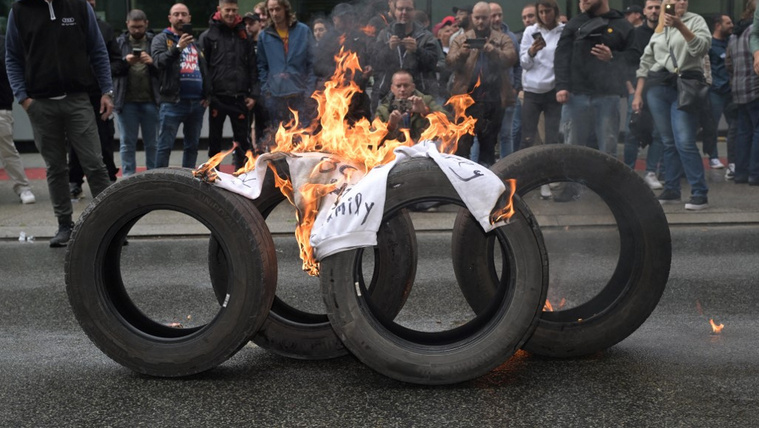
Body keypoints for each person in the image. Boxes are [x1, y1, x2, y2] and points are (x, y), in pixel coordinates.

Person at [5, 0, 114, 247]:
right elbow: (12, 57)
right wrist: (23, 98)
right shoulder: (20, 10)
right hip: (40, 103)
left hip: (78, 100)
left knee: (95, 164)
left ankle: (110, 222)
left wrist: (107, 91)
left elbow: (98, 49)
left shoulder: (79, 6)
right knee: (55, 167)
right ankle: (64, 224)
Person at [554, 0, 639, 198]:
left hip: (608, 95)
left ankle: (609, 192)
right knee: (571, 146)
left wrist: (612, 57)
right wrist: (562, 86)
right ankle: (571, 189)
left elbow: (635, 58)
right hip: (575, 95)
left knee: (608, 147)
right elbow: (561, 56)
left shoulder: (623, 25)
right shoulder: (574, 24)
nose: (583, 1)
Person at [633, 0, 712, 210]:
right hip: (658, 87)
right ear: (666, 3)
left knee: (684, 141)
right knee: (668, 141)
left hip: (684, 86)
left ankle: (699, 192)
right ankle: (672, 189)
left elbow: (700, 48)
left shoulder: (695, 20)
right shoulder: (659, 28)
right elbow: (646, 62)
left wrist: (680, 26)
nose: (683, 2)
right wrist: (638, 94)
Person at [447, 1, 517, 167]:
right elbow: (449, 63)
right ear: (472, 17)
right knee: (462, 147)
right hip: (466, 101)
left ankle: (485, 185)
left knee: (488, 148)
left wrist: (493, 51)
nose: (480, 22)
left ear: (490, 18)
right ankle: (462, 183)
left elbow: (511, 58)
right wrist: (462, 54)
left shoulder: (502, 39)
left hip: (493, 102)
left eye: (484, 18)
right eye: (477, 18)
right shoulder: (461, 39)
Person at [69, 0, 121, 198]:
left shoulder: (105, 29)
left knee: (105, 138)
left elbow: (116, 62)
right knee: (74, 141)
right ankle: (74, 180)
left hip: (100, 95)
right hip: (76, 94)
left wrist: (101, 75)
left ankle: (109, 179)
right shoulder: (67, 25)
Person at [199, 0, 259, 170]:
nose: (231, 14)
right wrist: (207, 95)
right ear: (219, 10)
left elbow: (252, 67)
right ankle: (213, 177)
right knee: (214, 142)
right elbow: (203, 68)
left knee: (243, 142)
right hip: (217, 98)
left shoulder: (244, 35)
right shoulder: (208, 35)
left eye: (234, 10)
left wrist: (253, 94)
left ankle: (241, 176)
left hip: (240, 97)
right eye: (227, 10)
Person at [152, 3, 210, 169]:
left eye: (184, 14)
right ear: (170, 18)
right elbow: (158, 62)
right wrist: (177, 48)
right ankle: (160, 184)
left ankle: (188, 184)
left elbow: (204, 69)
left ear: (189, 18)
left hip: (197, 104)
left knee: (192, 147)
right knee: (164, 146)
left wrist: (208, 94)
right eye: (176, 14)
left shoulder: (195, 42)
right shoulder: (161, 39)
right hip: (172, 102)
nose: (180, 18)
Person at [519, 0, 565, 198]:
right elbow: (523, 63)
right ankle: (524, 179)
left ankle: (548, 178)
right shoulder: (531, 31)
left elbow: (563, 60)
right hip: (532, 89)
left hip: (553, 89)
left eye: (548, 11)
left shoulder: (563, 31)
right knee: (528, 136)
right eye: (541, 12)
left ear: (555, 11)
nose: (545, 15)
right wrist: (532, 51)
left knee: (551, 137)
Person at [257, 0, 316, 143]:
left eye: (278, 9)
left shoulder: (303, 31)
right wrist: (267, 90)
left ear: (286, 9)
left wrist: (309, 91)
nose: (274, 13)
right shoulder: (264, 36)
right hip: (276, 96)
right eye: (271, 10)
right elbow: (261, 66)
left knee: (303, 138)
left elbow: (313, 63)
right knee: (280, 140)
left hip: (300, 94)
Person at [112, 9, 160, 177]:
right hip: (126, 102)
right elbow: (111, 69)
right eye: (133, 27)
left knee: (152, 144)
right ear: (127, 25)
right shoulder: (119, 43)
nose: (137, 30)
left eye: (140, 27)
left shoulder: (155, 42)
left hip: (151, 101)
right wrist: (126, 62)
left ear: (146, 24)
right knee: (127, 143)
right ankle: (128, 178)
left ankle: (153, 176)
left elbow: (166, 69)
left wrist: (152, 63)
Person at [623, 0, 665, 190]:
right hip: (637, 90)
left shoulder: (667, 32)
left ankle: (650, 172)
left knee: (658, 132)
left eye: (658, 7)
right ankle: (628, 173)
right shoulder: (635, 34)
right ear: (644, 12)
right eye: (651, 8)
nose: (654, 11)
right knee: (632, 132)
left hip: (660, 89)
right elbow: (627, 63)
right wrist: (632, 90)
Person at [369, 0, 440, 113]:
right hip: (388, 96)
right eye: (400, 9)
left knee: (421, 129)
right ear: (394, 11)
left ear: (414, 11)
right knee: (388, 129)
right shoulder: (384, 34)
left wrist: (417, 50)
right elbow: (375, 63)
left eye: (408, 9)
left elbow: (433, 64)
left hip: (420, 96)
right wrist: (388, 48)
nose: (404, 12)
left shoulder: (426, 36)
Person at [314, 3, 373, 124]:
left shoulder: (360, 37)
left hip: (358, 93)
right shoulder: (327, 39)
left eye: (349, 17)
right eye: (342, 18)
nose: (346, 21)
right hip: (334, 95)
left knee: (361, 127)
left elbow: (368, 59)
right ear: (335, 19)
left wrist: (367, 69)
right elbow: (318, 66)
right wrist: (340, 72)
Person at [0, 35, 35, 205]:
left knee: (7, 150)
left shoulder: (3, 43)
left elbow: (11, 69)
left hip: (0, 105)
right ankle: (23, 188)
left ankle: (23, 187)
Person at [728, 1, 759, 185]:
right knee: (757, 131)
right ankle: (755, 174)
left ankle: (740, 173)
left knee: (743, 132)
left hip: (739, 90)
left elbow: (728, 65)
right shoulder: (753, 34)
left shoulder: (734, 37)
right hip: (755, 87)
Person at [701, 14, 734, 170]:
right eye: (728, 23)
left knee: (734, 126)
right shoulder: (710, 44)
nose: (731, 25)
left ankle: (733, 159)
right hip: (715, 91)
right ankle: (713, 157)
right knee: (712, 126)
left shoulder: (731, 42)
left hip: (731, 91)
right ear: (718, 25)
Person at [374, 70, 444, 143]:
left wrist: (425, 112)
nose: (402, 89)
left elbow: (449, 123)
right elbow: (373, 139)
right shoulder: (383, 109)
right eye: (398, 86)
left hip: (422, 148)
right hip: (394, 151)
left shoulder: (425, 101)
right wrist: (391, 125)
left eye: (406, 85)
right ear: (392, 88)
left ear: (413, 87)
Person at [490, 2, 522, 159]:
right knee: (482, 136)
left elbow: (518, 65)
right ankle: (481, 170)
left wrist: (515, 86)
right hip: (486, 95)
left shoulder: (511, 38)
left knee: (506, 135)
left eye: (499, 15)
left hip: (507, 94)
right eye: (493, 15)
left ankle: (507, 171)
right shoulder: (480, 36)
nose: (497, 19)